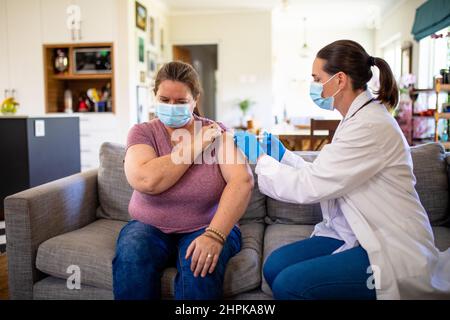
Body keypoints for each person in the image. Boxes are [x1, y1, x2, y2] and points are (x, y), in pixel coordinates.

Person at [234, 40, 450, 300]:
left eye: (316, 78)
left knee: (288, 284)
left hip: (388, 245)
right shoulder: (357, 119)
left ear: (339, 80)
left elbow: (311, 185)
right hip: (354, 232)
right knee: (273, 266)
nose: (313, 86)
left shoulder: (370, 126)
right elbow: (330, 174)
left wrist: (262, 160)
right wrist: (285, 157)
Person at [114, 61, 254, 300]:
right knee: (132, 254)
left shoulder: (217, 132)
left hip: (207, 226)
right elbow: (146, 180)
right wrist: (197, 144)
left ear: (195, 99)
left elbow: (242, 181)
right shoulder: (142, 132)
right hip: (148, 226)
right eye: (164, 99)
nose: (171, 106)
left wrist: (214, 235)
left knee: (200, 270)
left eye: (180, 102)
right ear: (155, 97)